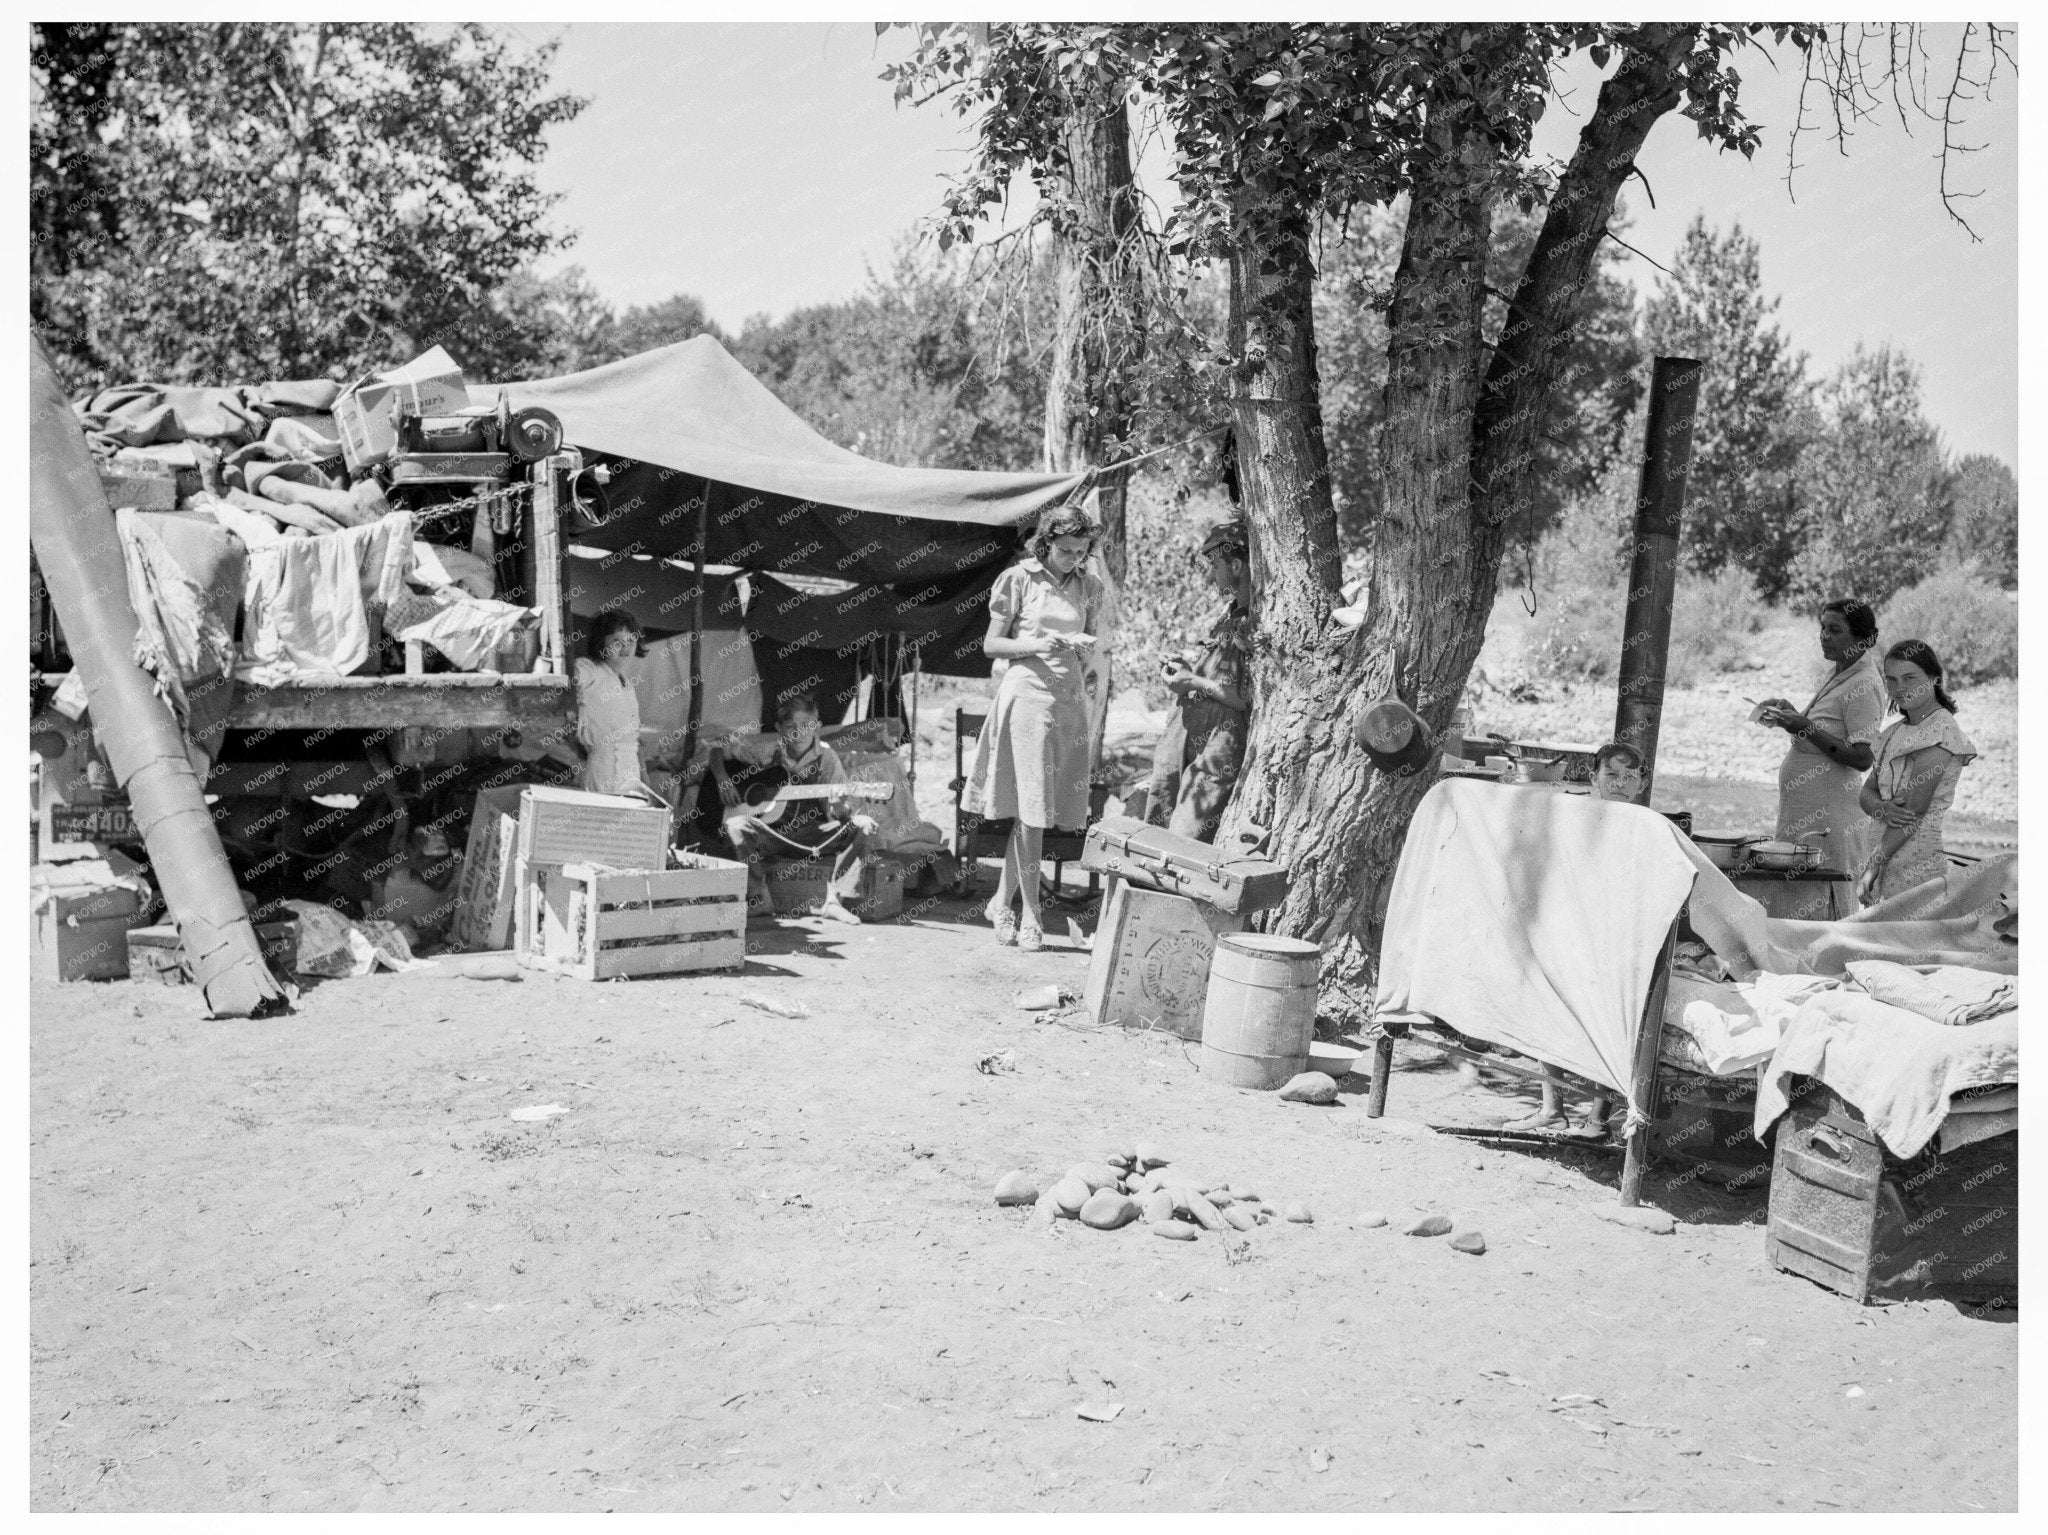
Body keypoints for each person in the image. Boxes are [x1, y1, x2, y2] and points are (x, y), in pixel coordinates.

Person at [967, 505, 1107, 951]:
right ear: (1046, 543)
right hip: (1026, 697)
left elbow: (1091, 646)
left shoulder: (1091, 586)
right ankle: (1030, 913)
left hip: (1067, 704)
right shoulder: (1019, 578)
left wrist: (1083, 661)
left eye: (1082, 551)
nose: (1073, 558)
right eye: (1065, 550)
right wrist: (1038, 644)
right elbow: (992, 644)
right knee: (1030, 813)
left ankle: (999, 903)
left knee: (1040, 814)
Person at [1506, 741, 1644, 1135]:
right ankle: (1551, 1106)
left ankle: (1598, 1117)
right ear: (1593, 777)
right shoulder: (1577, 815)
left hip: (1616, 938)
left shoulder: (1645, 827)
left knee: (1608, 1018)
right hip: (1572, 926)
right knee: (1547, 1000)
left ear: (1642, 782)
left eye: (1630, 776)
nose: (1620, 783)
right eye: (1612, 774)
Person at [1754, 598, 1885, 903]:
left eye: (1835, 630)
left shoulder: (1864, 684)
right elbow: (1829, 730)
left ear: (1863, 639)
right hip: (1808, 813)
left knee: (1823, 897)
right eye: (1823, 628)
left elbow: (1862, 758)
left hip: (1830, 816)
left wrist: (1802, 726)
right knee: (1797, 894)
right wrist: (1793, 715)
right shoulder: (1841, 672)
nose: (1824, 636)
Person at [717, 693, 878, 926]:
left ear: (817, 726)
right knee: (735, 825)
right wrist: (723, 778)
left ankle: (835, 901)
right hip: (774, 834)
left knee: (864, 825)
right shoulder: (767, 750)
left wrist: (837, 805)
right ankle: (758, 898)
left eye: (807, 725)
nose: (799, 731)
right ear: (779, 728)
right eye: (791, 726)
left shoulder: (827, 758)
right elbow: (716, 752)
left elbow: (842, 815)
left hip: (815, 834)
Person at [1145, 519, 1253, 843]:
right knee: (1156, 819)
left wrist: (1193, 681)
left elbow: (1248, 698)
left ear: (1236, 564)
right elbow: (1214, 673)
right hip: (1185, 732)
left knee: (1186, 835)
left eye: (1215, 566)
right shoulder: (1227, 613)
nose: (1211, 575)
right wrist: (1185, 669)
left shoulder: (1258, 620)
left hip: (1220, 746)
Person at [1857, 640, 1976, 906]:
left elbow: (1913, 811)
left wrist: (1874, 864)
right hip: (1880, 858)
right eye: (1892, 679)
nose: (1899, 688)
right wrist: (1881, 808)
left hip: (1916, 862)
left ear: (1934, 679)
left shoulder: (1941, 728)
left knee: (1909, 938)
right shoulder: (1892, 733)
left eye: (1909, 678)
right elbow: (1866, 793)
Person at [569, 611, 660, 800]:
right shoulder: (589, 669)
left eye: (631, 641)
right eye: (617, 642)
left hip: (631, 772)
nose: (626, 649)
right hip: (602, 769)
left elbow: (634, 741)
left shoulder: (627, 683)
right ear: (601, 643)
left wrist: (644, 779)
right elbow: (571, 678)